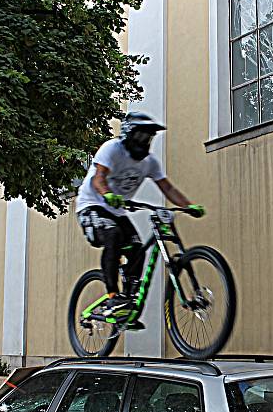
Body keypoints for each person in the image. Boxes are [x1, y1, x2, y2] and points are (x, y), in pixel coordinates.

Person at [75, 111, 205, 324]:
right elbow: (99, 179)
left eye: (148, 138)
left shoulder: (149, 163)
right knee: (114, 236)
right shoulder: (112, 149)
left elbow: (167, 188)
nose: (145, 142)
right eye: (141, 136)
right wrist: (107, 194)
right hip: (92, 205)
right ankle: (112, 297)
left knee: (137, 248)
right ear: (129, 134)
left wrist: (188, 206)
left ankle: (128, 301)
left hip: (117, 211)